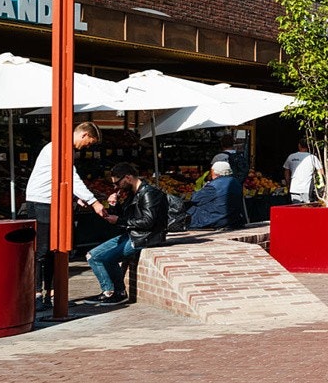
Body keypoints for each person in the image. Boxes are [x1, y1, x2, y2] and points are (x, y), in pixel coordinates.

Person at [23, 121, 105, 307]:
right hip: (42, 202)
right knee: (43, 250)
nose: (88, 147)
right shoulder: (60, 148)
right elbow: (71, 176)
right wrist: (94, 202)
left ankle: (49, 294)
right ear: (84, 135)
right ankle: (36, 295)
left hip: (48, 201)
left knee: (53, 250)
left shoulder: (58, 147)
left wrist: (76, 199)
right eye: (90, 142)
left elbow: (61, 179)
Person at [84, 162, 168, 306]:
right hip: (133, 233)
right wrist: (114, 206)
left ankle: (119, 293)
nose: (116, 187)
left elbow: (148, 221)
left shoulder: (149, 193)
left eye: (117, 183)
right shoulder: (133, 193)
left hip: (144, 236)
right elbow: (126, 216)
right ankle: (107, 291)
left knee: (107, 258)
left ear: (128, 177)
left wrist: (119, 220)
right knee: (92, 256)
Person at [187, 161, 246, 230]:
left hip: (215, 220)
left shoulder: (213, 186)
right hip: (233, 219)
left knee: (191, 210)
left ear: (214, 172)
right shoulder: (236, 182)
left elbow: (194, 198)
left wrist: (204, 187)